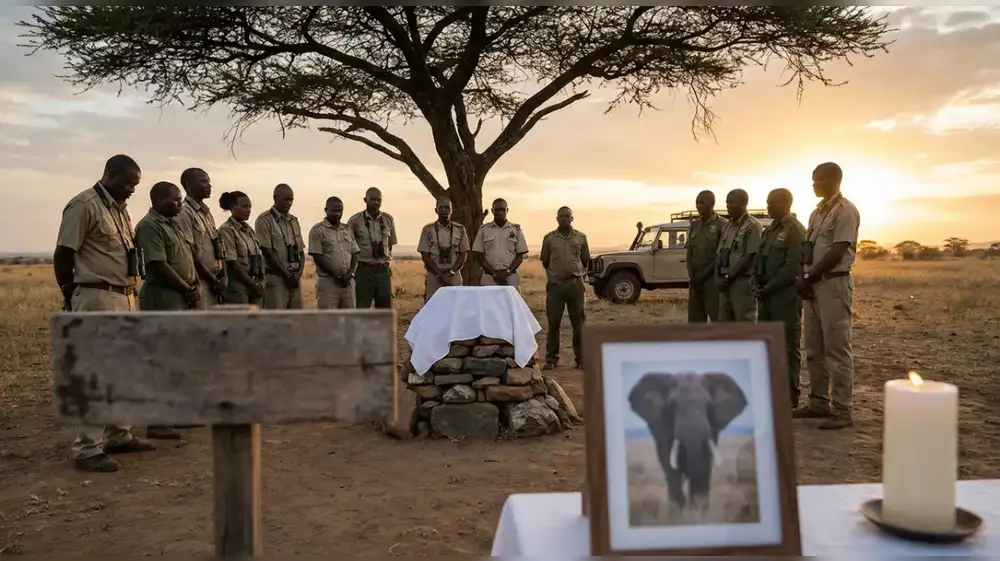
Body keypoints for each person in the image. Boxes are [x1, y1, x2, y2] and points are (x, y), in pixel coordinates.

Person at [52, 154, 157, 473]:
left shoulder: (119, 209)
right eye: (128, 183)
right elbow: (63, 253)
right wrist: (71, 294)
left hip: (124, 296)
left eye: (136, 185)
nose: (132, 190)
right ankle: (87, 449)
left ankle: (119, 435)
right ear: (110, 174)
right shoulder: (84, 205)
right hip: (97, 296)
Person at [794, 162, 861, 430]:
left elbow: (838, 250)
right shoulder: (815, 213)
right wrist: (803, 276)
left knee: (837, 347)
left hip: (833, 284)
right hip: (813, 285)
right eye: (813, 179)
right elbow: (807, 248)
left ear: (834, 179)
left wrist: (810, 276)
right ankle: (818, 402)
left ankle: (842, 410)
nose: (814, 184)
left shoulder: (845, 211)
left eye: (819, 180)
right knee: (814, 347)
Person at [134, 181, 200, 441]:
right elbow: (157, 265)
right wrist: (186, 288)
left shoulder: (173, 225)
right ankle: (157, 421)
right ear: (159, 200)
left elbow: (186, 259)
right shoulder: (149, 226)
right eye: (175, 199)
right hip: (162, 297)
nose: (180, 204)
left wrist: (191, 286)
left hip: (180, 296)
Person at [754, 188, 806, 409]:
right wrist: (757, 285)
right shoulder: (769, 230)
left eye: (773, 203)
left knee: (787, 347)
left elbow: (791, 267)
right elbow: (759, 261)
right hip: (766, 296)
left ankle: (789, 397)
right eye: (767, 202)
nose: (768, 207)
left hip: (784, 296)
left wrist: (770, 288)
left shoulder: (795, 230)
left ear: (787, 204)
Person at [540, 206, 590, 370]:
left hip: (575, 285)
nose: (564, 219)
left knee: (579, 323)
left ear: (572, 218)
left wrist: (575, 272)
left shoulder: (581, 237)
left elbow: (585, 259)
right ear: (557, 219)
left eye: (567, 216)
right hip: (556, 286)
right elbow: (545, 261)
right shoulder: (549, 238)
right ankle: (551, 359)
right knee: (553, 322)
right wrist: (556, 274)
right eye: (561, 216)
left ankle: (581, 358)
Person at [176, 168, 226, 309]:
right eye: (203, 182)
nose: (209, 186)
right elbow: (190, 252)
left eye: (209, 182)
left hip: (215, 280)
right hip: (201, 281)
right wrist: (212, 279)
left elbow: (218, 246)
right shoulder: (184, 213)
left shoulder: (206, 213)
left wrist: (223, 277)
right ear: (188, 184)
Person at [254, 183, 304, 309]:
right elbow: (267, 252)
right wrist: (287, 275)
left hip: (294, 279)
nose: (289, 203)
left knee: (297, 318)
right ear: (275, 198)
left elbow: (301, 251)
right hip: (276, 278)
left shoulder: (294, 221)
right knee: (276, 318)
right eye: (286, 199)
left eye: (291, 200)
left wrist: (299, 274)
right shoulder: (264, 220)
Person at [348, 187, 398, 309]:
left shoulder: (388, 220)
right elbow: (349, 247)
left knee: (385, 309)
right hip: (363, 270)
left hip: (382, 271)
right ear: (365, 200)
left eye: (378, 200)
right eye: (372, 199)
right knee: (361, 308)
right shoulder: (355, 221)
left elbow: (390, 245)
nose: (376, 202)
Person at [717, 189, 762, 322]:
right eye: (727, 203)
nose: (728, 206)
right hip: (725, 283)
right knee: (725, 323)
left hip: (742, 283)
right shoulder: (727, 226)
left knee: (744, 322)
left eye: (732, 202)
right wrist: (717, 276)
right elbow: (719, 253)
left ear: (744, 204)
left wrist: (729, 277)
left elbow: (750, 256)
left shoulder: (753, 226)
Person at [308, 196, 360, 309]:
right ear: (326, 210)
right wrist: (337, 276)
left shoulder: (347, 229)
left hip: (348, 283)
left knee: (349, 318)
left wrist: (350, 274)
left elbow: (355, 253)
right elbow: (317, 257)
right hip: (328, 283)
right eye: (334, 210)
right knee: (327, 318)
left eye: (340, 210)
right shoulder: (317, 230)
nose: (337, 214)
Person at [418, 197, 470, 302]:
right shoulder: (428, 230)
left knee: (457, 305)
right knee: (432, 306)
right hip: (434, 276)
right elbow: (425, 256)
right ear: (436, 210)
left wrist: (451, 272)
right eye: (441, 208)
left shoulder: (460, 229)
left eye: (447, 208)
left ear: (451, 210)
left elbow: (463, 255)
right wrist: (439, 275)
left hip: (454, 275)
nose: (444, 210)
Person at [218, 191, 265, 307]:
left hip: (254, 284)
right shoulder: (226, 230)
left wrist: (259, 282)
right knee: (241, 317)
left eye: (249, 207)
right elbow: (233, 263)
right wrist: (252, 285)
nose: (248, 210)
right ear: (233, 207)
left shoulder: (248, 230)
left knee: (255, 317)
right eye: (244, 207)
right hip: (238, 287)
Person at [686, 190, 726, 322]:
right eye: (697, 202)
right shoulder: (695, 225)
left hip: (712, 279)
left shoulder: (722, 225)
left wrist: (703, 275)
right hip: (695, 280)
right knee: (695, 319)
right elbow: (689, 252)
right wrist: (692, 274)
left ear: (712, 204)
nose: (698, 205)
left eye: (702, 203)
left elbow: (721, 254)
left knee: (717, 317)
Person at [472, 198, 528, 290]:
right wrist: (494, 274)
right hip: (489, 278)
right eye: (497, 210)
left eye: (502, 210)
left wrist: (506, 272)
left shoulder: (516, 230)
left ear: (507, 210)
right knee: (489, 300)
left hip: (510, 277)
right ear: (492, 211)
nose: (500, 212)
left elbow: (519, 257)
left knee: (511, 300)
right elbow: (479, 256)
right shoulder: (484, 229)